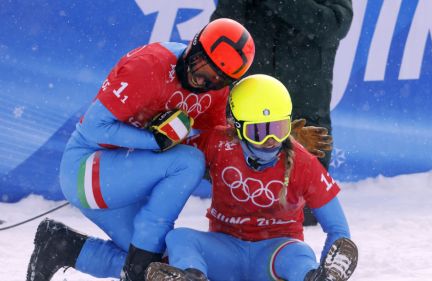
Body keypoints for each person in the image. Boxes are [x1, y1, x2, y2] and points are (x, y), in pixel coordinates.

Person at [25, 18, 256, 281]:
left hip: (123, 176)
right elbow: (92, 127)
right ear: (194, 46)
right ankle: (146, 251)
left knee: (163, 267)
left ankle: (60, 246)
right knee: (189, 161)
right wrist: (154, 140)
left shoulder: (216, 92)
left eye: (216, 79)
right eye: (203, 66)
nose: (203, 80)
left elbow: (211, 141)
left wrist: (277, 140)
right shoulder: (148, 65)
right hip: (86, 168)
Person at [145, 74, 358, 281]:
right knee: (179, 237)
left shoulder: (304, 162)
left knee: (300, 254)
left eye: (279, 129)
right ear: (237, 128)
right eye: (259, 132)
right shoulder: (218, 143)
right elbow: (172, 160)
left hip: (276, 256)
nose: (271, 141)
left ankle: (318, 278)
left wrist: (331, 262)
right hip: (225, 252)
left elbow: (338, 229)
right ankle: (192, 277)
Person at [210, 0, 353, 226]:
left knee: (301, 216)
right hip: (253, 93)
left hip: (306, 93)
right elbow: (223, 28)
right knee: (240, 213)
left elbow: (335, 25)